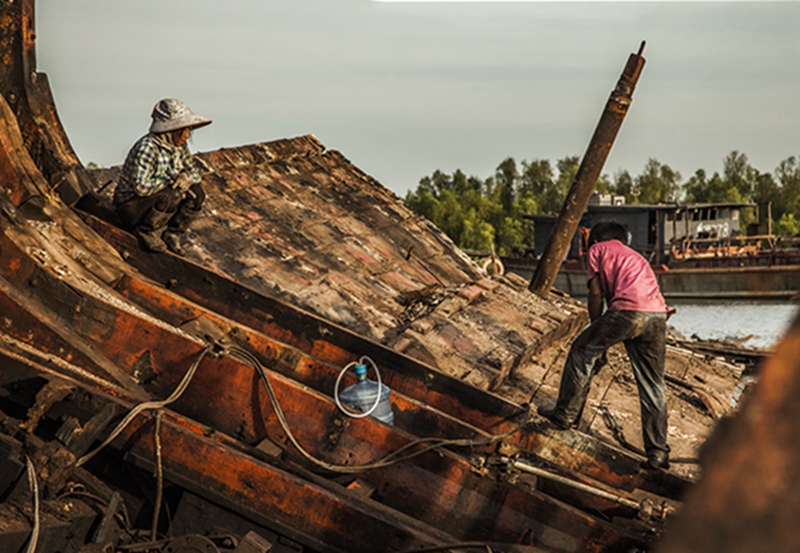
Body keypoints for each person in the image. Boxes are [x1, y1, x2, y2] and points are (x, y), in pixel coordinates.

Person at [538, 220, 672, 470]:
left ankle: (565, 415)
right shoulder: (636, 256)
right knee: (653, 384)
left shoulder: (597, 250)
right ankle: (658, 453)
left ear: (596, 239)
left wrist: (594, 329)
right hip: (657, 315)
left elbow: (596, 293)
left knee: (580, 351)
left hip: (628, 312)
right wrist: (602, 342)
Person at [113, 98, 211, 254]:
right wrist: (169, 182)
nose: (186, 135)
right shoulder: (147, 148)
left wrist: (186, 177)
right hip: (131, 206)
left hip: (154, 198)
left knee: (197, 192)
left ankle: (173, 233)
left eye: (188, 130)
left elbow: (194, 172)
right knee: (172, 194)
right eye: (183, 130)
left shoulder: (179, 147)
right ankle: (145, 230)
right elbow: (141, 188)